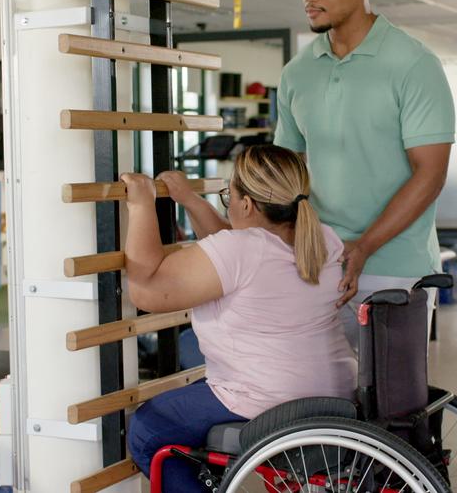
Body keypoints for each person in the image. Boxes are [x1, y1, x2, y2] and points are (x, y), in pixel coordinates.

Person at [123, 145, 356, 493]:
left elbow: (147, 292)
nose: (226, 202)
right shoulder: (322, 238)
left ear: (246, 204)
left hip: (269, 400)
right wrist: (190, 200)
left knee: (147, 430)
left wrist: (141, 206)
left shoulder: (243, 249)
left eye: (226, 195)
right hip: (332, 393)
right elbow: (229, 248)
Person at [276, 0, 456, 342]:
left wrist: (364, 246)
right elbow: (285, 172)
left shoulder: (414, 64)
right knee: (318, 401)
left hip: (396, 267)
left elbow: (429, 174)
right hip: (317, 265)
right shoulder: (296, 73)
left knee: (388, 402)